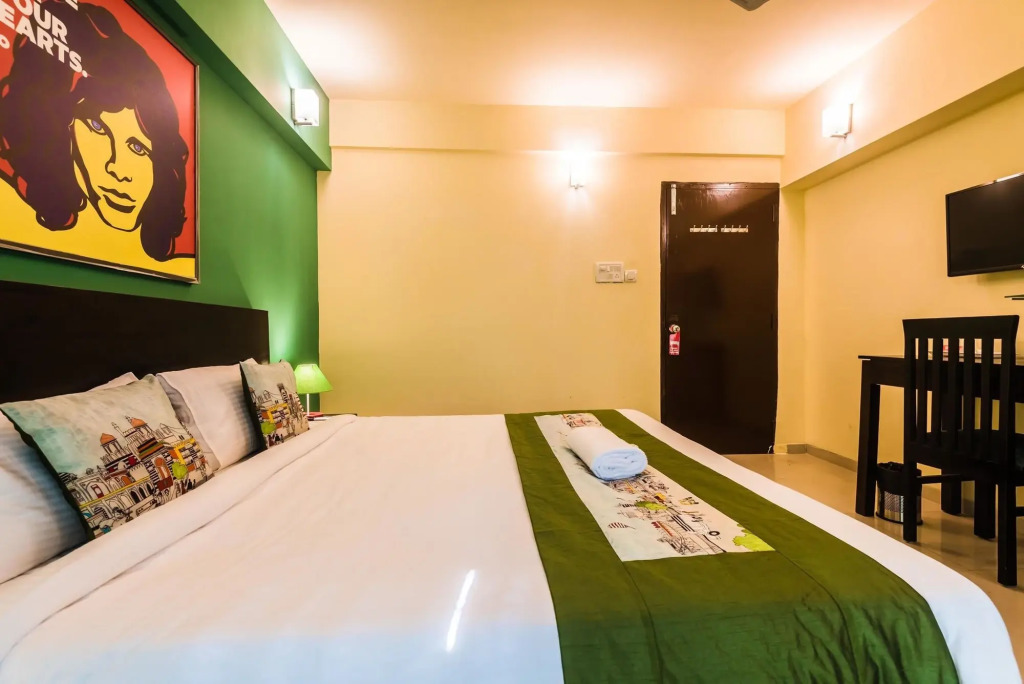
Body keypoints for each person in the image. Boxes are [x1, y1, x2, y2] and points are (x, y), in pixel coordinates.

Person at [0, 1, 192, 276]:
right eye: (97, 127)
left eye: (138, 147)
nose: (117, 169)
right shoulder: (10, 208)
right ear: (63, 130)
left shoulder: (180, 268)